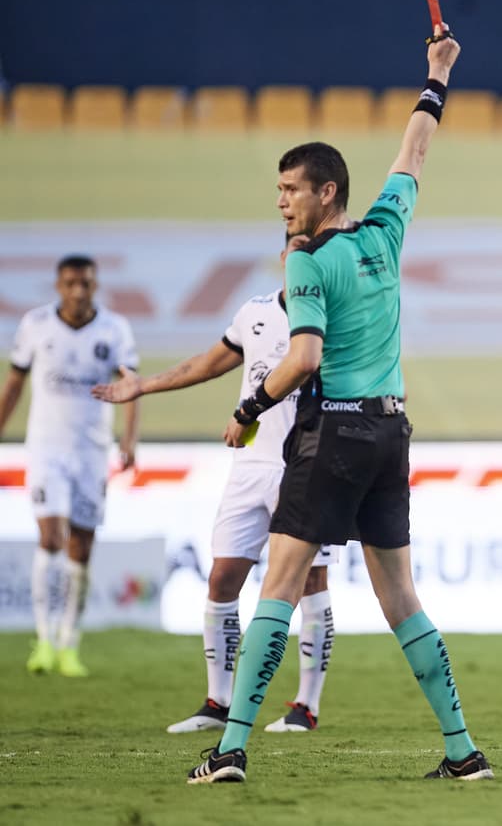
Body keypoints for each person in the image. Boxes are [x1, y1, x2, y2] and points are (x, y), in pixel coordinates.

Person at [187, 20, 490, 784]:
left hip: (338, 435)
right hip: (392, 433)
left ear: (327, 192)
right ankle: (463, 751)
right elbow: (415, 149)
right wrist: (438, 75)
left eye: (292, 190)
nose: (282, 203)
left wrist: (251, 406)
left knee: (278, 584)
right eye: (279, 191)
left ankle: (229, 749)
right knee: (401, 599)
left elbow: (305, 356)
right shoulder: (385, 232)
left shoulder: (309, 264)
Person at [93, 241, 338, 734]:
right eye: (291, 254)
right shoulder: (255, 312)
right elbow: (209, 363)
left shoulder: (338, 316)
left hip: (308, 466)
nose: (298, 263)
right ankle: (217, 702)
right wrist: (144, 385)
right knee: (223, 578)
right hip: (249, 467)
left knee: (311, 581)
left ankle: (305, 707)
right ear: (284, 260)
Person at [0, 254, 139, 677]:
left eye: (86, 284)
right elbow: (15, 382)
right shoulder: (35, 325)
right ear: (58, 286)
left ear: (95, 286)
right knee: (52, 536)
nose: (79, 291)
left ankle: (68, 644)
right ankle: (43, 640)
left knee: (82, 546)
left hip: (92, 452)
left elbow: (132, 386)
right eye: (71, 284)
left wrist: (129, 440)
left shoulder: (114, 329)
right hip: (45, 450)